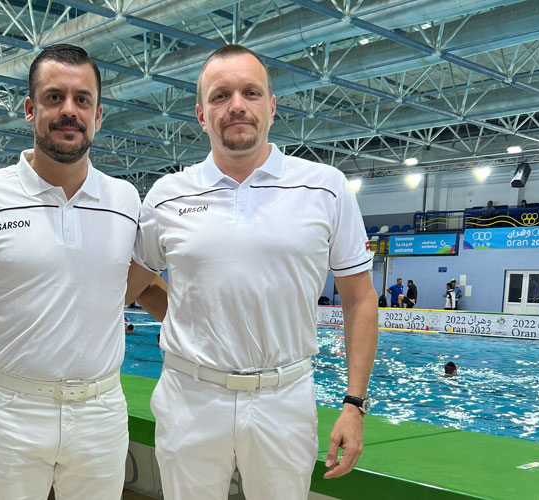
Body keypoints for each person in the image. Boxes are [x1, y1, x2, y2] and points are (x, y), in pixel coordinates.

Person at [125, 44, 378, 500]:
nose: (236, 105)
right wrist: (190, 321)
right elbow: (135, 281)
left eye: (250, 92)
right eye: (220, 96)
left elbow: (359, 299)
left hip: (284, 397)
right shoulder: (166, 195)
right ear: (201, 115)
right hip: (191, 396)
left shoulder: (325, 187)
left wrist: (354, 404)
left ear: (272, 106)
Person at [0, 44, 163, 500]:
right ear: (30, 108)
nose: (68, 111)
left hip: (99, 411)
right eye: (54, 97)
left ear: (98, 115)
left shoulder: (127, 201)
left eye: (82, 100)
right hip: (11, 409)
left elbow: (141, 285)